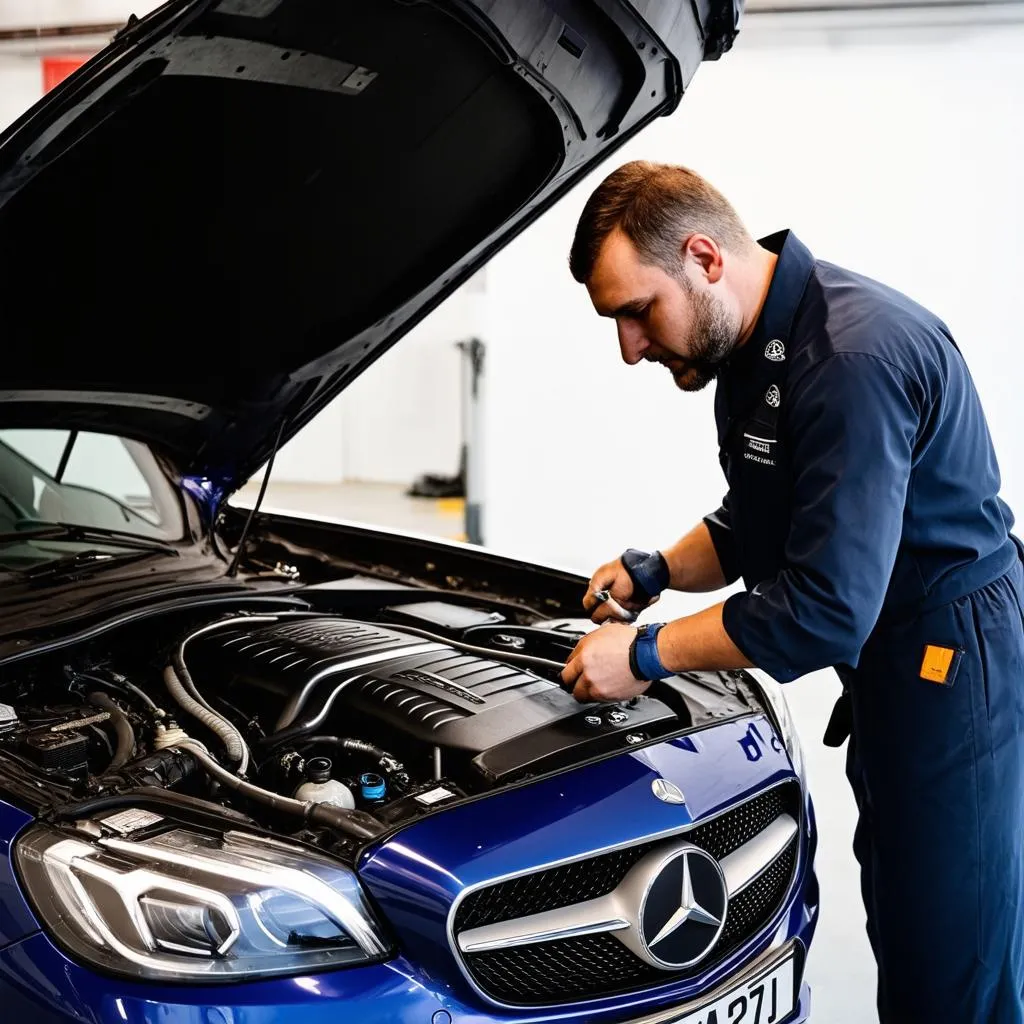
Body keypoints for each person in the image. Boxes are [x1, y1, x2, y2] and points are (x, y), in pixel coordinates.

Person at [561, 160, 1024, 1023]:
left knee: (953, 968)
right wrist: (654, 571)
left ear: (703, 256)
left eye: (634, 311)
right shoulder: (745, 346)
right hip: (894, 656)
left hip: (952, 659)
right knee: (905, 918)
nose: (629, 346)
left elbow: (825, 606)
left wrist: (648, 654)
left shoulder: (853, 357)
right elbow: (758, 521)